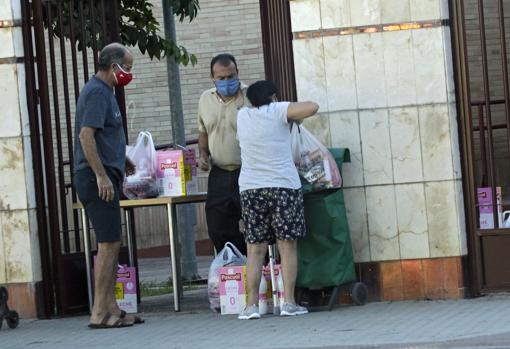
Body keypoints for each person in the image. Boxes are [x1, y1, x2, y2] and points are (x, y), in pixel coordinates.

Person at [236, 80, 319, 319]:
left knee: (255, 249)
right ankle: (289, 303)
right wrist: (285, 109)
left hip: (251, 189)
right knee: (287, 245)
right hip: (283, 186)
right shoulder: (277, 110)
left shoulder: (242, 116)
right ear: (273, 97)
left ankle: (251, 306)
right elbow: (312, 106)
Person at [74, 42, 143, 329]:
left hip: (107, 174)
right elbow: (86, 137)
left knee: (113, 244)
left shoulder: (107, 92)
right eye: (126, 67)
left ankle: (112, 307)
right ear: (112, 66)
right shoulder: (96, 93)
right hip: (95, 179)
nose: (128, 73)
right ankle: (99, 312)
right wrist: (101, 175)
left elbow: (104, 137)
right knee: (107, 244)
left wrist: (122, 158)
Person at [197, 53, 249, 255]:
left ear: (237, 73)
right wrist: (203, 154)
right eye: (221, 78)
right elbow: (203, 132)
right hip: (219, 173)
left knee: (256, 227)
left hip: (248, 172)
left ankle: (256, 269)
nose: (227, 81)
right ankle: (233, 268)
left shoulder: (250, 97)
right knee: (218, 229)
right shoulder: (205, 99)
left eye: (231, 76)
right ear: (213, 78)